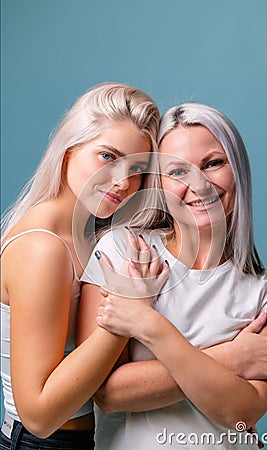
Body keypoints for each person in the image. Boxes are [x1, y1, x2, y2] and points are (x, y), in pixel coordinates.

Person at [80, 102, 267, 449]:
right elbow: (108, 392)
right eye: (177, 171)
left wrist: (147, 324)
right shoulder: (122, 250)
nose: (199, 183)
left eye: (213, 164)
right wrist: (230, 358)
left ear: (237, 171)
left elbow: (241, 412)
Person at [0, 81, 169, 450]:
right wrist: (129, 312)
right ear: (69, 148)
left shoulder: (92, 237)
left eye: (135, 168)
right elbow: (40, 416)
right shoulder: (42, 249)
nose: (123, 182)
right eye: (108, 156)